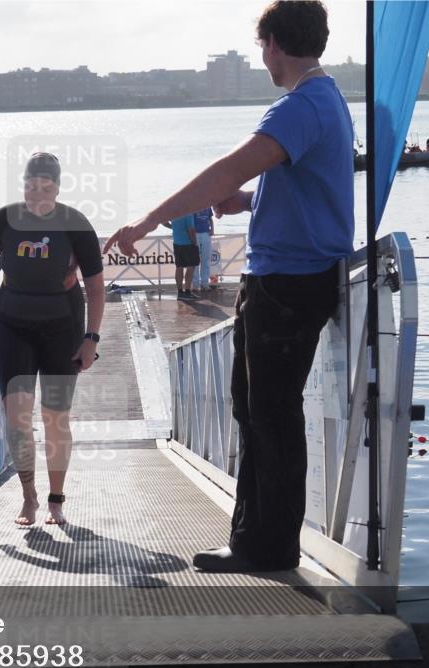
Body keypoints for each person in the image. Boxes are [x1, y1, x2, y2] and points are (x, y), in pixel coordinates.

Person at [104, 0, 353, 573]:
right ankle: (255, 538)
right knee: (255, 408)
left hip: (288, 284)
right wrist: (251, 200)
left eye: (262, 47)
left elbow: (226, 168)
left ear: (274, 45)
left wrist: (146, 222)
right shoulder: (327, 99)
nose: (263, 58)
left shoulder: (300, 105)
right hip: (290, 278)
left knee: (270, 414)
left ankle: (268, 547)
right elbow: (304, 183)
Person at [0, 153, 105, 526]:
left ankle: (56, 500)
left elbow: (95, 287)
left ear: (57, 188)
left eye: (45, 188)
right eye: (30, 187)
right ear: (23, 185)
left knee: (55, 417)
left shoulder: (75, 224)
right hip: (13, 325)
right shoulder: (4, 220)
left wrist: (91, 338)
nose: (37, 195)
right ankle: (29, 497)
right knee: (17, 417)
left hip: (63, 327)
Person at [170, 213, 199, 299]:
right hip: (188, 243)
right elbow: (191, 231)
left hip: (177, 243)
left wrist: (172, 227)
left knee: (179, 267)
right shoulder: (188, 213)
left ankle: (180, 292)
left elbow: (162, 221)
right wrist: (195, 243)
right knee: (191, 267)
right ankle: (187, 291)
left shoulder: (173, 212)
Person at [192, 206, 215, 291]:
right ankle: (195, 284)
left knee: (206, 259)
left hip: (206, 233)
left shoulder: (208, 205)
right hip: (195, 234)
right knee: (195, 260)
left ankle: (205, 283)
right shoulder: (192, 205)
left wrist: (212, 229)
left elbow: (210, 219)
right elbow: (190, 220)